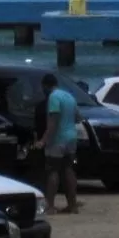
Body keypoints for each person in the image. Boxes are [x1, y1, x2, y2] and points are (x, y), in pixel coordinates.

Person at [36, 74, 80, 214]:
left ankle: (49, 206)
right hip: (71, 137)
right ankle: (73, 205)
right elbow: (79, 117)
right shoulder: (69, 96)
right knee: (68, 168)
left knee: (53, 170)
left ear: (46, 86)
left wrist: (43, 140)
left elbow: (53, 122)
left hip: (58, 139)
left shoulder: (53, 97)